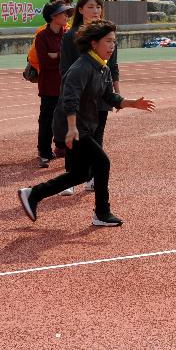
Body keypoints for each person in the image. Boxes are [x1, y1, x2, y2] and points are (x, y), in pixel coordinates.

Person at [18, 20, 156, 227]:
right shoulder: (81, 68)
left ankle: (33, 194)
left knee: (80, 173)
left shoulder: (102, 68)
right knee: (102, 162)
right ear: (94, 43)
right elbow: (68, 100)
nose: (112, 46)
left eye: (114, 42)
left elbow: (108, 96)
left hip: (81, 126)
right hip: (71, 127)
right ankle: (102, 212)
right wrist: (72, 128)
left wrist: (132, 103)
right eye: (108, 41)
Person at [60, 0, 120, 196]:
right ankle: (70, 177)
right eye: (91, 7)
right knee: (75, 138)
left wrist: (116, 94)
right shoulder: (71, 36)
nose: (95, 11)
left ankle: (93, 177)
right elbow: (66, 68)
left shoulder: (107, 33)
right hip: (81, 98)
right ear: (80, 10)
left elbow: (113, 66)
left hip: (101, 95)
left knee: (97, 137)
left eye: (98, 7)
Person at [34, 1, 74, 167]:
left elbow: (71, 59)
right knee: (46, 119)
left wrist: (55, 55)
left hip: (67, 85)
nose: (66, 16)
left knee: (66, 118)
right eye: (63, 13)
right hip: (49, 86)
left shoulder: (68, 34)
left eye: (67, 13)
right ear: (53, 16)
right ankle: (44, 151)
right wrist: (60, 57)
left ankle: (63, 147)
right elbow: (44, 62)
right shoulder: (42, 36)